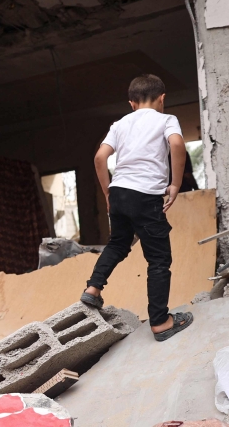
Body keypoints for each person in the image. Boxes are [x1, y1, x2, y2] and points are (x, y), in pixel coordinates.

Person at [81, 74, 193, 341]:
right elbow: (176, 144)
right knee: (158, 260)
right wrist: (175, 184)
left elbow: (100, 157)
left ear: (131, 103)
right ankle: (160, 322)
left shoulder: (119, 124)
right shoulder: (166, 119)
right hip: (145, 196)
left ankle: (93, 289)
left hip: (119, 192)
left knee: (118, 244)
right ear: (162, 98)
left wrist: (108, 192)